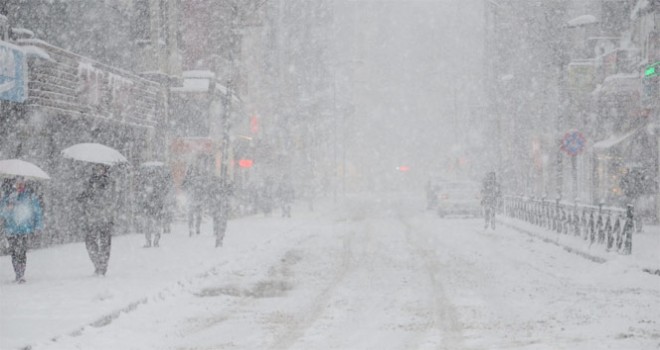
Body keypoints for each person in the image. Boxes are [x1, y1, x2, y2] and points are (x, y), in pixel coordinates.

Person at [0, 177, 44, 283]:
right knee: (14, 252)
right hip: (11, 230)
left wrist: (38, 226)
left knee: (22, 252)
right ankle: (18, 273)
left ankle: (21, 274)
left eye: (21, 184)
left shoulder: (30, 197)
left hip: (25, 229)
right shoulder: (8, 197)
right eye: (17, 184)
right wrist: (8, 209)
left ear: (24, 184)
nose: (19, 186)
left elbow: (37, 212)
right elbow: (2, 213)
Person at [77, 164, 116, 276]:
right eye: (97, 168)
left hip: (105, 217)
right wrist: (84, 196)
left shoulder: (109, 182)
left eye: (101, 168)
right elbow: (84, 197)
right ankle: (98, 263)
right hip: (91, 217)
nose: (99, 170)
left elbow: (111, 199)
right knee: (90, 241)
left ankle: (103, 266)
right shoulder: (89, 182)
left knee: (105, 243)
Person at [182, 165, 205, 236]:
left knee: (191, 216)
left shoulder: (188, 178)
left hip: (192, 199)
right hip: (197, 200)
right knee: (198, 216)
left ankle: (192, 228)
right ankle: (196, 227)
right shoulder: (200, 178)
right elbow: (204, 188)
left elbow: (183, 187)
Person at [211, 179, 233, 247]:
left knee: (220, 222)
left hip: (220, 209)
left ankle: (219, 236)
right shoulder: (219, 190)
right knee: (221, 222)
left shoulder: (216, 190)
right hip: (220, 209)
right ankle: (219, 237)